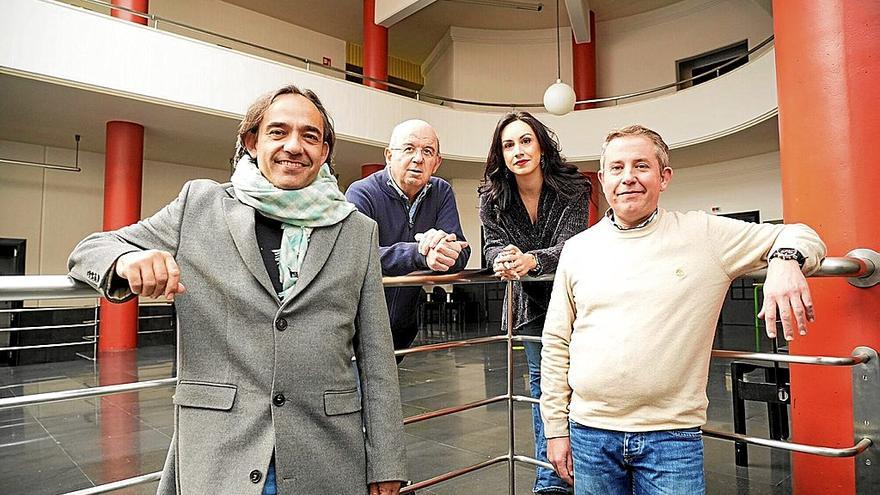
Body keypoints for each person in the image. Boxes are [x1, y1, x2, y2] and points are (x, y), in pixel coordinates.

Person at [68, 85, 406, 495]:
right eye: (277, 132)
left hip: (327, 453)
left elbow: (376, 357)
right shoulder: (200, 205)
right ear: (252, 142)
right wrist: (125, 261)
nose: (294, 147)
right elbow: (90, 249)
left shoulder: (356, 231)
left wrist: (386, 460)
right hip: (221, 450)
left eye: (310, 136)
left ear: (325, 151)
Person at [541, 124, 826, 495]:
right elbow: (557, 342)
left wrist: (785, 261)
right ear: (603, 179)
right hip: (590, 432)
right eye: (617, 168)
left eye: (641, 166)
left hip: (671, 437)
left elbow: (802, 234)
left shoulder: (703, 236)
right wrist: (555, 429)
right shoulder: (578, 248)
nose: (628, 178)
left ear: (664, 177)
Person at [479, 111, 590, 495]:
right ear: (501, 154)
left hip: (577, 304)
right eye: (509, 145)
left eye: (526, 141)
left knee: (583, 387)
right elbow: (491, 244)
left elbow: (571, 246)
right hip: (530, 309)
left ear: (541, 146)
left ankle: (588, 471)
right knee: (545, 390)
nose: (518, 150)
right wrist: (502, 257)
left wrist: (531, 260)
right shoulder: (492, 198)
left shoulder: (574, 187)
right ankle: (552, 480)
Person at [346, 119, 470, 354]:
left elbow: (461, 248)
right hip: (356, 328)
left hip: (404, 328)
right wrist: (420, 253)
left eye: (428, 151)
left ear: (437, 162)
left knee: (389, 391)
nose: (418, 158)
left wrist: (443, 252)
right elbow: (357, 254)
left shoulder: (441, 191)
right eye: (409, 148)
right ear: (389, 155)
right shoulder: (361, 192)